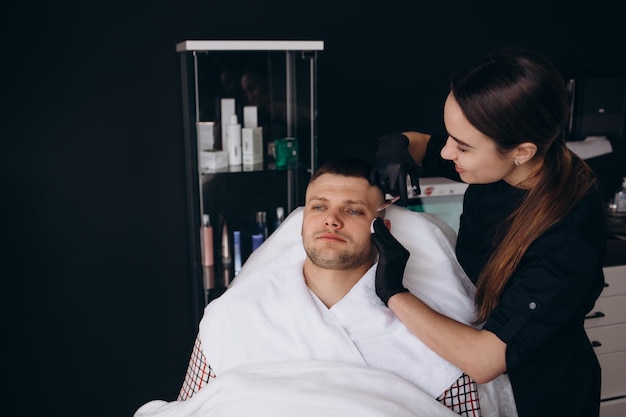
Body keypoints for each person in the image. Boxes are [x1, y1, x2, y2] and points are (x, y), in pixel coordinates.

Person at [164, 158, 515, 417]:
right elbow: (188, 409)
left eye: (354, 211)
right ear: (302, 222)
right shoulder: (233, 315)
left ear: (383, 228)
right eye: (319, 207)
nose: (332, 219)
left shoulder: (434, 335)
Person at [369, 49, 606, 417]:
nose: (447, 153)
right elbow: (420, 143)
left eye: (462, 146)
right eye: (451, 136)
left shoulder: (565, 237)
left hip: (544, 396)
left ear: (522, 151)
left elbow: (484, 360)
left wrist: (392, 291)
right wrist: (396, 146)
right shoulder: (504, 166)